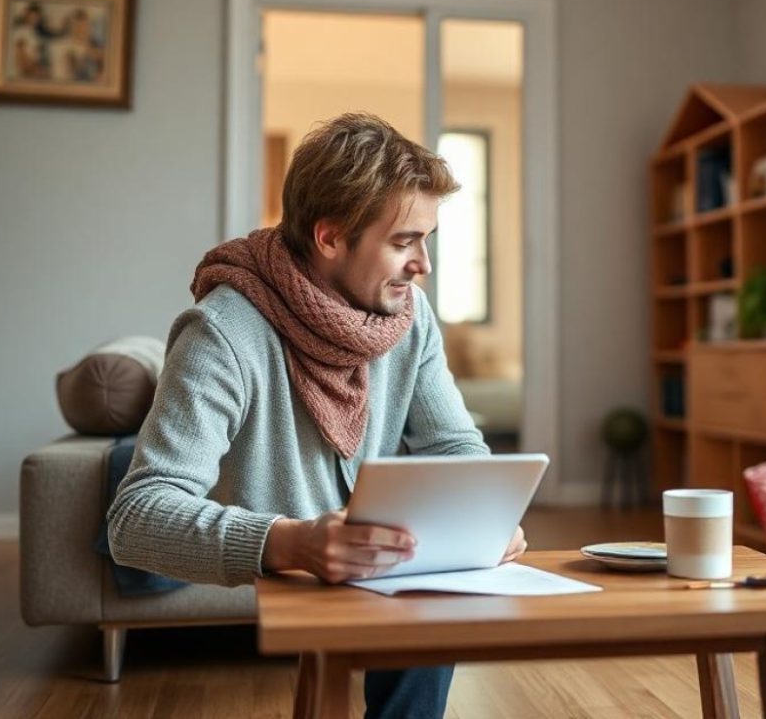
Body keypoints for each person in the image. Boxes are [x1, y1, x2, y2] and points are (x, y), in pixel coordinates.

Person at [108, 112, 526, 719]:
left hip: (377, 564)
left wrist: (485, 514)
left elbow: (454, 445)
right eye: (404, 241)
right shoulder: (221, 333)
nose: (423, 266)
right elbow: (135, 517)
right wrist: (291, 541)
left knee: (432, 591)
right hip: (280, 545)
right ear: (330, 237)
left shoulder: (410, 316)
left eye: (427, 239)